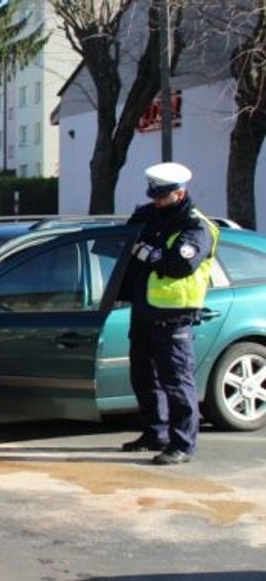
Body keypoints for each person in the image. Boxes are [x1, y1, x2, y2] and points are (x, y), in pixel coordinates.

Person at [120, 162, 219, 466]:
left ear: (180, 193)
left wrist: (149, 253)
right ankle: (155, 432)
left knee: (176, 381)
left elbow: (179, 265)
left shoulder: (196, 226)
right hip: (144, 310)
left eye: (162, 196)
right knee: (143, 376)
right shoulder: (149, 215)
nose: (156, 201)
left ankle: (183, 443)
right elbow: (124, 241)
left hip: (174, 314)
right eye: (154, 195)